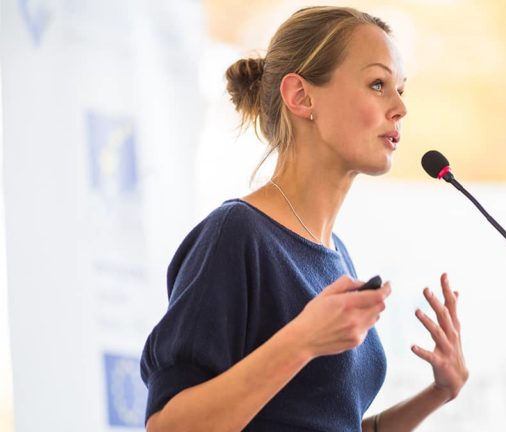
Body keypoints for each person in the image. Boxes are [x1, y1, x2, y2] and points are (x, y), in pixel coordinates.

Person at [140, 6, 468, 432]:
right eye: (377, 84)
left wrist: (439, 392)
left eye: (401, 89)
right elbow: (169, 427)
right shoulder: (237, 236)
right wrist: (303, 341)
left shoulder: (337, 255)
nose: (401, 107)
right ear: (300, 97)